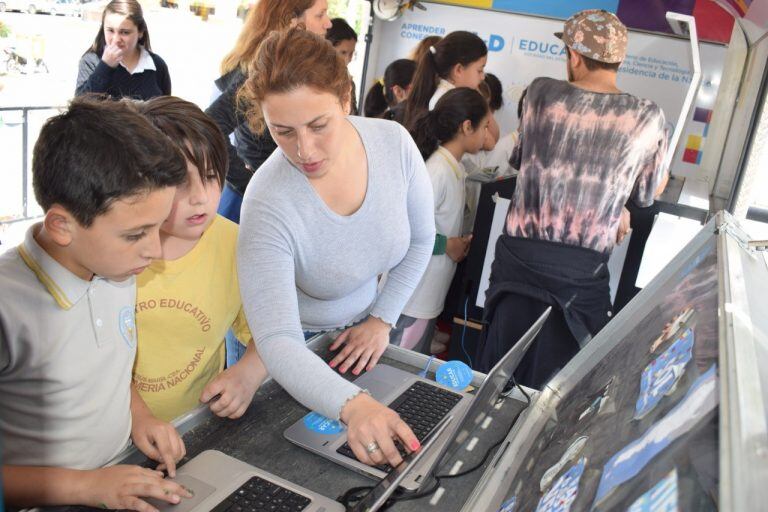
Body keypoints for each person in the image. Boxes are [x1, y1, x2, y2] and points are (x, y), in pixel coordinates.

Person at [237, 28, 434, 468]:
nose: (304, 150)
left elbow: (421, 241)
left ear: (346, 99)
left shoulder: (394, 144)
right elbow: (278, 339)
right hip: (291, 353)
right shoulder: (267, 200)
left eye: (318, 125)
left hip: (365, 333)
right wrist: (355, 406)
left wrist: (383, 318)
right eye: (282, 131)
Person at [0, 97, 191, 510]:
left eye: (158, 228)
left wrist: (139, 416)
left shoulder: (116, 269)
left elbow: (111, 373)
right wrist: (87, 487)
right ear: (62, 225)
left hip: (117, 477)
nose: (154, 250)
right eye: (136, 234)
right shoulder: (7, 307)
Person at [475, 10, 669, 388]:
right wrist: (619, 203)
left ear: (575, 56)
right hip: (580, 276)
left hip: (517, 260)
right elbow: (647, 194)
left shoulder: (540, 94)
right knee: (558, 388)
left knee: (495, 379)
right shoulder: (647, 116)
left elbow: (523, 161)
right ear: (619, 59)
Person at [132, 96, 269, 423]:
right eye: (180, 182)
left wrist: (248, 373)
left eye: (210, 176)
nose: (199, 198)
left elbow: (272, 333)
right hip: (109, 441)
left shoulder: (235, 244)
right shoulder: (113, 250)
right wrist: (136, 417)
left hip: (192, 426)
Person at [206, 0, 332, 225]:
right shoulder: (264, 72)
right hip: (249, 207)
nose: (329, 23)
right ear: (293, 22)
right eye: (320, 15)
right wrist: (248, 181)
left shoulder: (283, 68)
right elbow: (209, 126)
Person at [390, 88, 490, 353]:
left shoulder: (455, 168)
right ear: (467, 127)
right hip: (413, 297)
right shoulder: (437, 171)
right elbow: (403, 230)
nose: (487, 135)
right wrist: (447, 244)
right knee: (393, 369)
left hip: (428, 295)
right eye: (485, 127)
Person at [76, 0, 170, 100]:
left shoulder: (157, 65)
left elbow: (167, 109)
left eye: (125, 32)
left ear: (140, 32)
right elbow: (78, 109)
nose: (116, 39)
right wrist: (105, 67)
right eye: (110, 30)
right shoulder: (91, 61)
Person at [403, 30, 487, 129]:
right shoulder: (448, 103)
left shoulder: (447, 96)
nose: (483, 77)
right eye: (480, 70)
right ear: (458, 70)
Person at [326, 17, 359, 114]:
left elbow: (354, 115)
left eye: (351, 53)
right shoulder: (312, 79)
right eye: (343, 52)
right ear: (327, 49)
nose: (348, 59)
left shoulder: (350, 83)